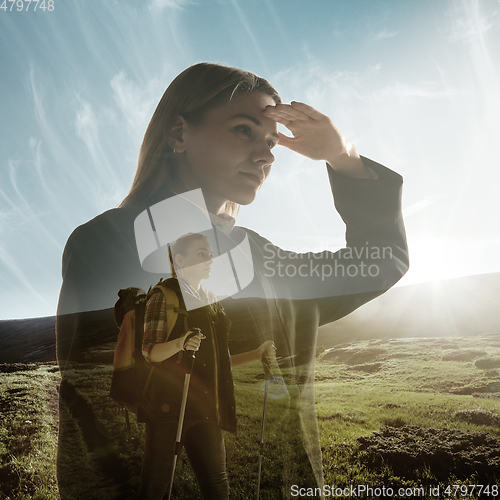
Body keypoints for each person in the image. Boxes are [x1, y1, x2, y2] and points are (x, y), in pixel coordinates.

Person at [56, 62, 409, 499]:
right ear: (179, 134)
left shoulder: (256, 256)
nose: (266, 156)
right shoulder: (107, 241)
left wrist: (343, 155)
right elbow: (87, 412)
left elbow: (381, 260)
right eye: (244, 130)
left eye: (272, 142)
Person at [138, 232, 275, 500]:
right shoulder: (164, 295)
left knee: (217, 488)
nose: (211, 258)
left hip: (206, 408)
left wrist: (257, 354)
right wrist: (180, 343)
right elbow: (149, 352)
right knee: (156, 488)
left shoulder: (211, 302)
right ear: (180, 260)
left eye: (211, 253)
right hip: (169, 409)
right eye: (202, 253)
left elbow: (221, 363)